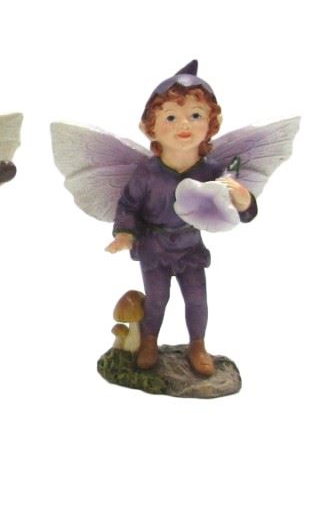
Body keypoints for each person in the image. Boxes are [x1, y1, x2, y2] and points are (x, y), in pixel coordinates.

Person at [105, 63, 257, 376]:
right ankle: (149, 340)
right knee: (157, 299)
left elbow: (235, 208)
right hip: (155, 246)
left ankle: (197, 344)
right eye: (171, 117)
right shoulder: (147, 172)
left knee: (197, 299)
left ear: (213, 123)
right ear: (150, 127)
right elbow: (129, 204)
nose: (184, 125)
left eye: (196, 115)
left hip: (189, 246)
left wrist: (244, 200)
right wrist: (125, 233)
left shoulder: (212, 170)